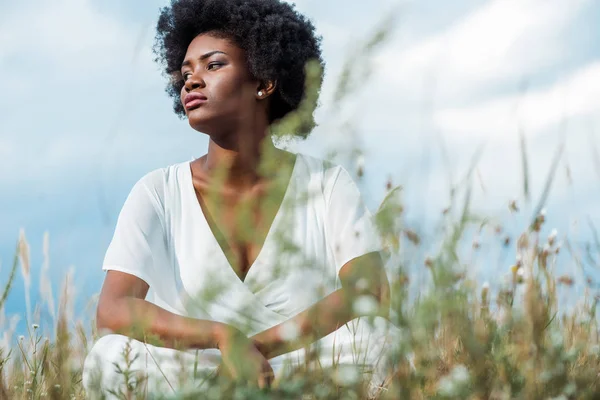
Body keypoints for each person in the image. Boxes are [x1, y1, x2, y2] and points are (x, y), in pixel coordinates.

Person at [82, 0, 397, 397]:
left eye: (213, 65)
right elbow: (114, 309)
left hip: (295, 363)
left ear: (264, 82)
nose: (192, 81)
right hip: (200, 368)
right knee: (108, 358)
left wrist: (256, 351)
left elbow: (369, 291)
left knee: (380, 338)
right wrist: (224, 339)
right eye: (185, 73)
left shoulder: (326, 183)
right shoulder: (157, 191)